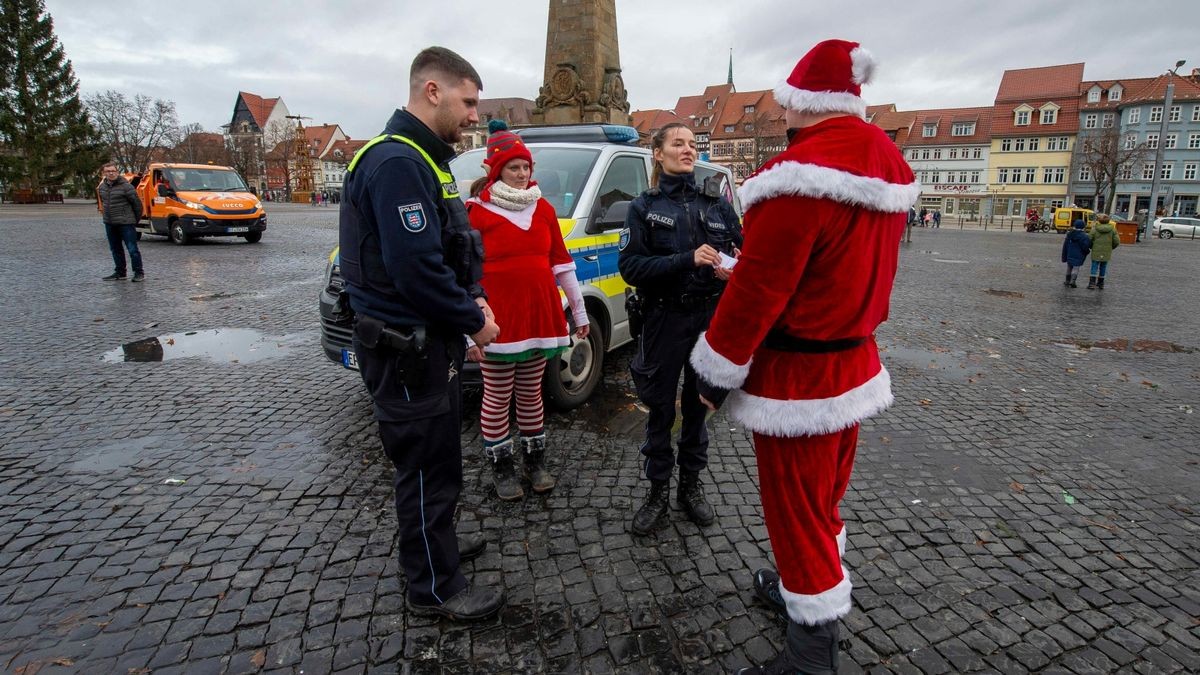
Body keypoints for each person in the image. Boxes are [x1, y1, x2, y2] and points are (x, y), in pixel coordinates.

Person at [689, 40, 918, 674]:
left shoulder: (798, 176)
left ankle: (811, 653)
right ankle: (802, 586)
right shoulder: (886, 160)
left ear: (799, 102)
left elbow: (763, 290)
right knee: (824, 497)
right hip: (851, 363)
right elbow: (827, 270)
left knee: (794, 508)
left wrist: (713, 371)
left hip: (799, 377)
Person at [338, 46, 504, 622]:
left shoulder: (424, 160)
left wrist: (471, 292)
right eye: (469, 101)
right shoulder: (397, 163)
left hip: (426, 344)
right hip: (404, 345)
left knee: (440, 457)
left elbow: (452, 248)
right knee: (425, 466)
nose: (475, 115)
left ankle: (442, 548)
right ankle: (432, 586)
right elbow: (415, 269)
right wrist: (473, 319)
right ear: (432, 91)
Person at [617, 122, 743, 536]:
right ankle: (656, 492)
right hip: (664, 319)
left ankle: (690, 487)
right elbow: (631, 267)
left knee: (698, 407)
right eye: (677, 143)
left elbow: (743, 253)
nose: (687, 150)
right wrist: (686, 260)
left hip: (710, 320)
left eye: (692, 144)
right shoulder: (643, 206)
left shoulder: (718, 206)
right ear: (658, 153)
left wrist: (734, 269)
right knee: (658, 407)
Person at [465, 120, 589, 500]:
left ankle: (535, 462)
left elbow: (562, 264)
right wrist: (468, 328)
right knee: (497, 395)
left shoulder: (544, 209)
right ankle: (502, 468)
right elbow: (463, 275)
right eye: (514, 167)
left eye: (525, 167)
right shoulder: (475, 211)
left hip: (540, 316)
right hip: (498, 322)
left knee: (531, 393)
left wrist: (580, 313)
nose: (522, 174)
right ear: (496, 168)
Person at [96, 162, 145, 282]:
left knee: (132, 249)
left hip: (126, 223)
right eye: (108, 171)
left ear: (117, 172)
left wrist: (134, 220)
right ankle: (120, 272)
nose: (111, 173)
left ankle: (139, 273)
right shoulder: (102, 187)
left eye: (113, 171)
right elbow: (103, 203)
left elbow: (137, 205)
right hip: (110, 223)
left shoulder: (126, 186)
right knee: (115, 249)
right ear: (104, 173)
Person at [1088, 214, 1120, 290]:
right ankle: (1101, 283)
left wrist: (1091, 246)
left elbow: (1089, 239)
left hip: (1096, 250)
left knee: (1094, 267)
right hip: (1106, 251)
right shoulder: (1113, 230)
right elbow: (1117, 241)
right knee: (1103, 267)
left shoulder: (1095, 229)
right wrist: (1111, 247)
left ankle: (1092, 283)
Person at [1061, 219, 1091, 288]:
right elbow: (1085, 246)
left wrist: (1065, 254)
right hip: (1079, 254)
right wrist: (1087, 251)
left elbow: (1065, 245)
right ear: (1083, 227)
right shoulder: (1084, 236)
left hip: (1070, 253)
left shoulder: (1070, 234)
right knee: (1076, 268)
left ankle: (1067, 281)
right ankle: (1073, 281)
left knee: (1069, 267)